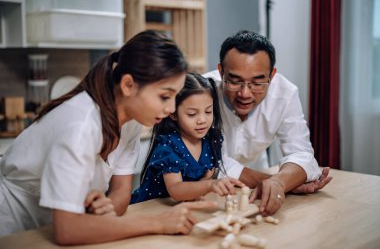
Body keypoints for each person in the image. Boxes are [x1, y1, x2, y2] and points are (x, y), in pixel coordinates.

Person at [0, 30, 217, 244]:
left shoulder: (132, 121)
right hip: (13, 222)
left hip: (61, 223)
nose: (171, 109)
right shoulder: (81, 126)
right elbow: (66, 230)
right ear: (128, 85)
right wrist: (158, 222)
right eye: (164, 96)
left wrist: (104, 209)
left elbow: (121, 194)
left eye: (174, 97)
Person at [204, 30, 332, 215]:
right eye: (235, 81)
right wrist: (279, 182)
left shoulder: (286, 94)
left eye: (257, 83)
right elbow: (211, 163)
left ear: (272, 75)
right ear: (221, 71)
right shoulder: (201, 92)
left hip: (253, 187)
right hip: (206, 189)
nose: (245, 94)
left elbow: (302, 154)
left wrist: (279, 182)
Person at [131, 73, 245, 204]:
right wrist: (209, 185)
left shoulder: (211, 140)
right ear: (173, 114)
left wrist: (207, 182)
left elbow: (203, 180)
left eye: (208, 111)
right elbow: (176, 189)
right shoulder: (168, 146)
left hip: (180, 209)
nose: (202, 120)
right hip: (148, 209)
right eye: (192, 114)